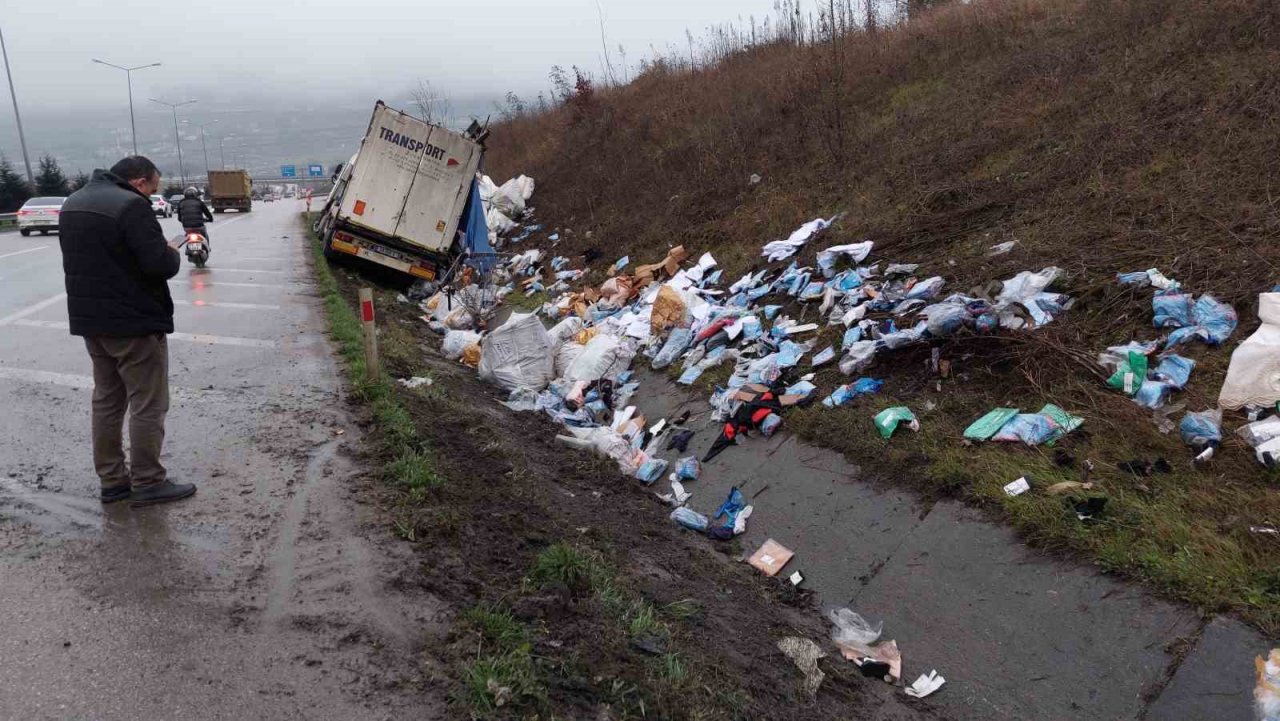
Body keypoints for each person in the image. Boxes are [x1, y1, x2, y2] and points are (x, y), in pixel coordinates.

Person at [58, 156, 197, 507]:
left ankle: (113, 481)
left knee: (107, 400)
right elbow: (158, 265)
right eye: (152, 188)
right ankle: (149, 481)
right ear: (138, 182)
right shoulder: (132, 206)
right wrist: (171, 251)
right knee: (148, 403)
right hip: (133, 322)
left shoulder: (74, 203)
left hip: (92, 321)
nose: (152, 196)